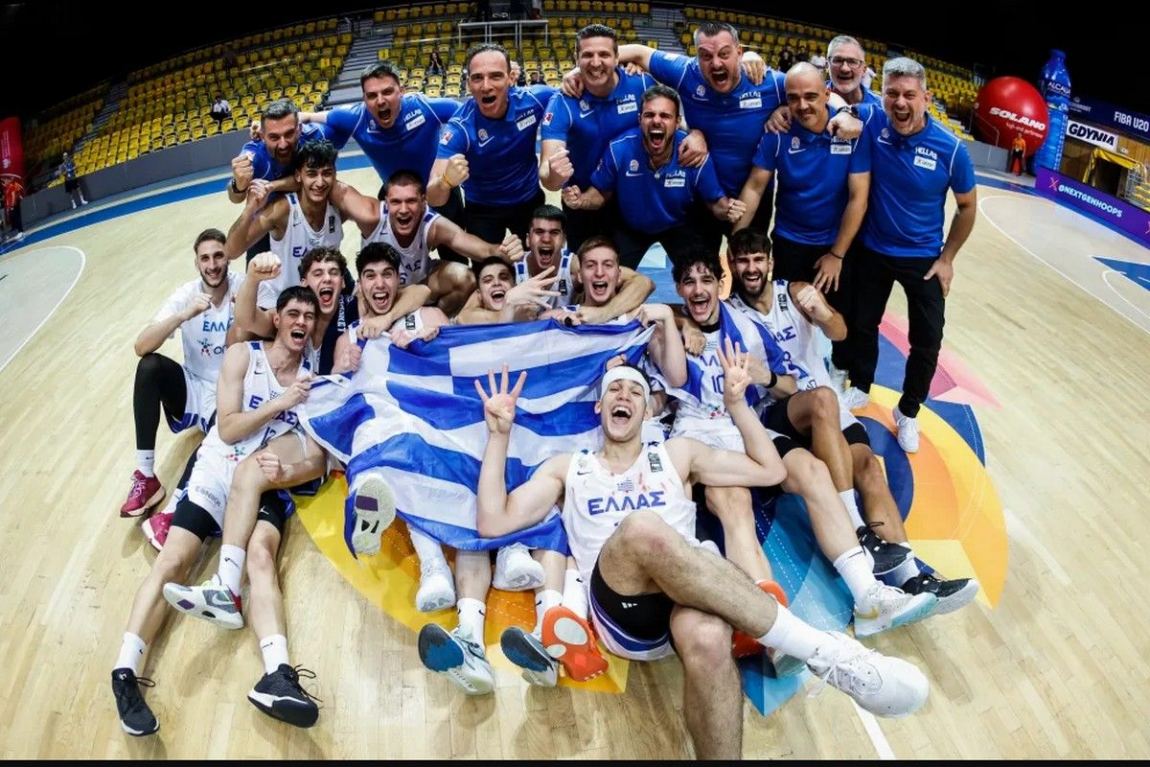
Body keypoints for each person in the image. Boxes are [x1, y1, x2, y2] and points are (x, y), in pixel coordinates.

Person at [470, 356, 930, 759]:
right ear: (600, 406)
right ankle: (823, 650)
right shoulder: (570, 467)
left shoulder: (677, 454)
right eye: (614, 389)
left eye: (635, 391)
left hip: (687, 596)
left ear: (648, 411)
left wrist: (738, 406)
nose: (624, 395)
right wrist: (498, 436)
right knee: (642, 528)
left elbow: (769, 469)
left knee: (710, 639)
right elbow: (493, 520)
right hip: (622, 608)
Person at [664, 250, 936, 640]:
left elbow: (790, 384)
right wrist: (679, 322)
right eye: (688, 282)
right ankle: (768, 627)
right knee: (733, 505)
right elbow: (652, 321)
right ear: (678, 288)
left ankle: (869, 597)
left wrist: (766, 376)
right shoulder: (670, 332)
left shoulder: (746, 327)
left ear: (720, 284)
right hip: (703, 437)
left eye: (706, 280)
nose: (697, 289)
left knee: (814, 469)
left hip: (748, 427)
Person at [725, 228, 980, 612]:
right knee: (824, 399)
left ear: (770, 262)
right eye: (742, 260)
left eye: (758, 259)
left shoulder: (794, 292)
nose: (751, 268)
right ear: (731, 264)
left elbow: (840, 332)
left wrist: (823, 312)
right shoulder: (729, 314)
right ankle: (857, 530)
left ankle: (911, 577)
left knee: (869, 467)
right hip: (780, 411)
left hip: (824, 405)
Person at [112, 287, 327, 736]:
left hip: (264, 482)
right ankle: (125, 673)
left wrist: (287, 470)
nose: (301, 322)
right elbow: (227, 429)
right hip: (217, 469)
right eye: (293, 313)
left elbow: (316, 460)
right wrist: (279, 404)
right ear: (277, 319)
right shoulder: (243, 357)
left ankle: (278, 675)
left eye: (309, 316)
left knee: (262, 558)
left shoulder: (312, 384)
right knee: (173, 561)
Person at [844, 57, 977, 453]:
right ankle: (860, 384)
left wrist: (947, 258)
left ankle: (908, 410)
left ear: (926, 98)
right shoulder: (873, 121)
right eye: (892, 94)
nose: (900, 103)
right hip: (873, 249)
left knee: (928, 341)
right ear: (882, 95)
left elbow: (967, 206)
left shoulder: (952, 149)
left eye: (909, 95)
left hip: (923, 258)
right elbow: (838, 99)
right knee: (862, 324)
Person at [734, 62, 871, 386]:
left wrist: (837, 255)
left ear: (827, 94)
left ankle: (839, 370)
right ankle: (784, 373)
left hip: (835, 243)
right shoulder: (778, 133)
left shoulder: (850, 132)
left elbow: (858, 198)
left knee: (839, 315)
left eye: (810, 96)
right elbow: (755, 187)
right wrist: (736, 242)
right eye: (793, 98)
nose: (802, 105)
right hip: (789, 239)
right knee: (785, 313)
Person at [119, 229, 243, 518]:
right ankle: (146, 475)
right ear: (196, 263)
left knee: (221, 446)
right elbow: (141, 346)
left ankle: (181, 505)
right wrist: (182, 315)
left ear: (228, 257)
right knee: (149, 366)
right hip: (194, 386)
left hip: (231, 390)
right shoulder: (186, 294)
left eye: (218, 256)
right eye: (205, 259)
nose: (212, 265)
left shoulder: (243, 287)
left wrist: (246, 311)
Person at [562, 85, 744, 269]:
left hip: (678, 225)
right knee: (610, 274)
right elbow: (601, 194)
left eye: (665, 116)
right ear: (639, 119)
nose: (656, 121)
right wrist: (581, 201)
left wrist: (728, 209)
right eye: (649, 115)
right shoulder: (619, 149)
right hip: (630, 227)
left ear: (677, 122)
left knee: (700, 273)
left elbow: (715, 203)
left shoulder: (693, 153)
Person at [331, 169, 524, 315]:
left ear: (424, 202)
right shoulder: (370, 215)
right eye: (396, 202)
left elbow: (481, 249)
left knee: (465, 278)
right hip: (377, 287)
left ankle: (434, 319)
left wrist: (504, 251)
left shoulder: (433, 225)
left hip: (419, 287)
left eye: (411, 201)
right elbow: (333, 186)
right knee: (357, 311)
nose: (403, 209)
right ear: (386, 203)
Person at [539, 24, 657, 253]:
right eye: (587, 55)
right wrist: (554, 175)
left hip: (631, 196)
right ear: (576, 59)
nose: (595, 63)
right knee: (585, 268)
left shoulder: (642, 84)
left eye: (604, 54)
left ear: (617, 57)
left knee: (623, 267)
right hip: (582, 200)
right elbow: (547, 171)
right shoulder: (562, 102)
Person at [428, 43, 556, 246]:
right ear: (469, 84)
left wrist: (574, 74)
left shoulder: (534, 100)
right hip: (482, 209)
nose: (486, 86)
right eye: (477, 78)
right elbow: (433, 197)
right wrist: (445, 182)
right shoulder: (459, 129)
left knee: (537, 259)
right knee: (487, 264)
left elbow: (572, 93)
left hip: (528, 200)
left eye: (496, 76)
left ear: (511, 78)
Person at [226, 99, 333, 261]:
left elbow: (347, 115)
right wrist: (238, 186)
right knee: (258, 273)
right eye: (274, 137)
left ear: (299, 129)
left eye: (289, 134)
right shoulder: (253, 154)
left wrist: (272, 186)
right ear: (262, 136)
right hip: (266, 222)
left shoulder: (314, 136)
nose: (283, 144)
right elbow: (235, 198)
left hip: (309, 217)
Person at [1, 175, 24, 241]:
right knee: (15, 218)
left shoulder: (11, 186)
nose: (4, 182)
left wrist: (12, 205)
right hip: (11, 205)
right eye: (3, 181)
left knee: (17, 218)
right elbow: (7, 197)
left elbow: (13, 196)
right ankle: (20, 231)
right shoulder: (7, 188)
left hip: (14, 204)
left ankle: (20, 232)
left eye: (5, 180)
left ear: (8, 180)